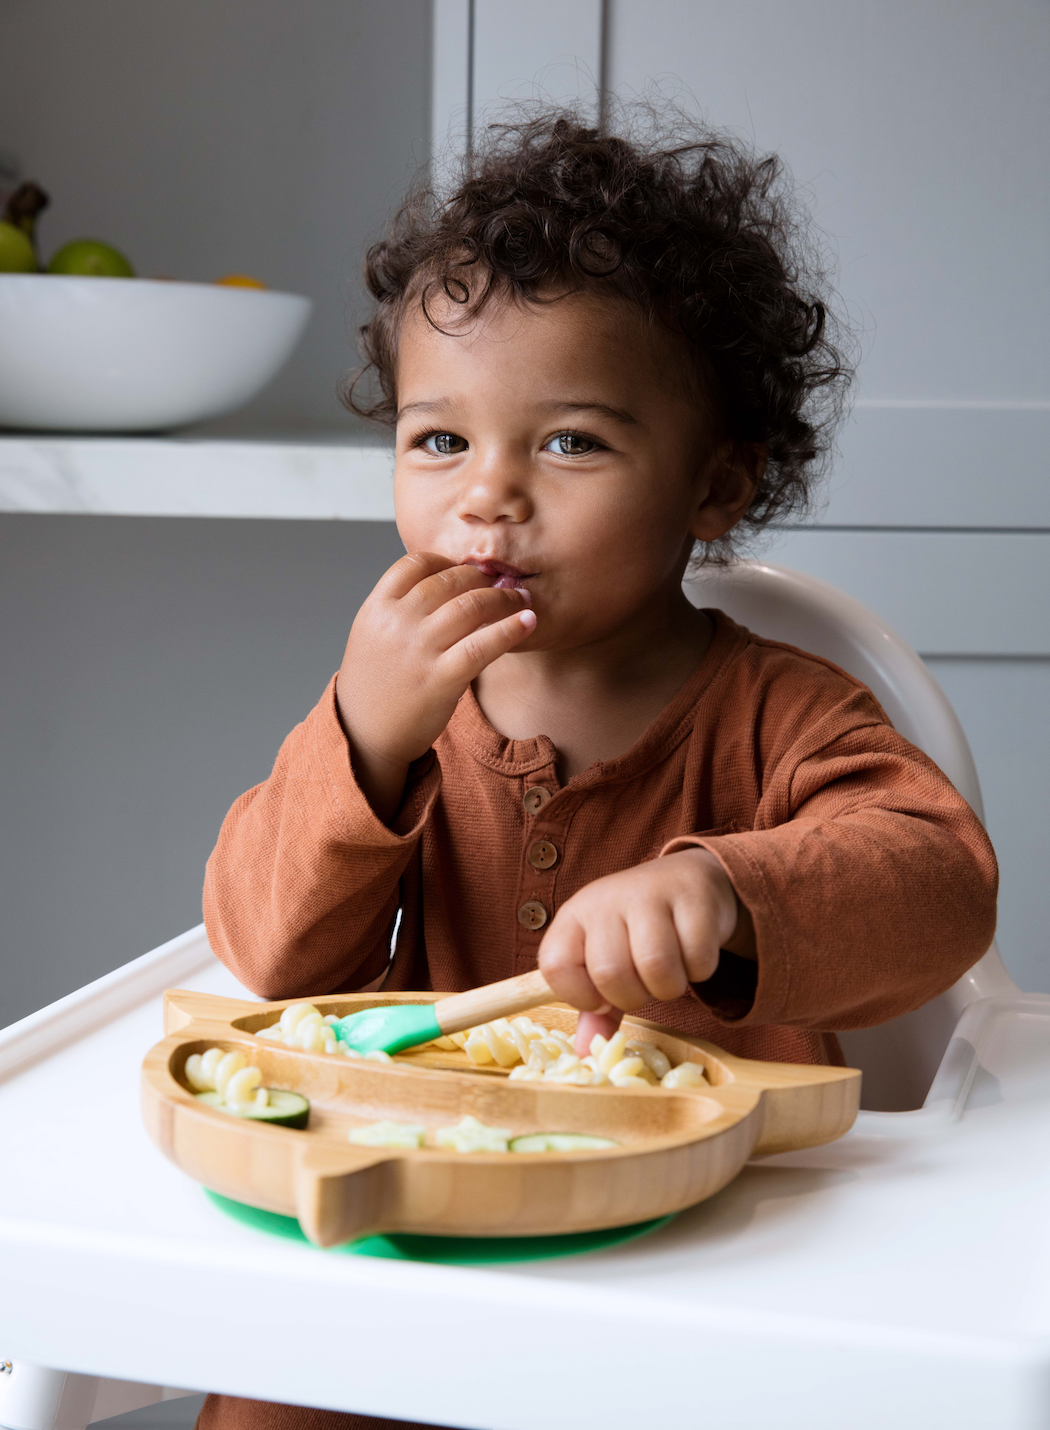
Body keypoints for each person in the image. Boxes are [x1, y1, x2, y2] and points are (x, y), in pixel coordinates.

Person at [195, 109, 997, 1430]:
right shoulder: (400, 709)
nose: (487, 495)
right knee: (273, 1396)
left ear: (714, 481)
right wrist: (363, 735)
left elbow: (936, 881)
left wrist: (727, 892)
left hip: (724, 1252)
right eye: (437, 439)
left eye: (567, 441)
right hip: (435, 1218)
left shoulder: (775, 711)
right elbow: (268, 952)